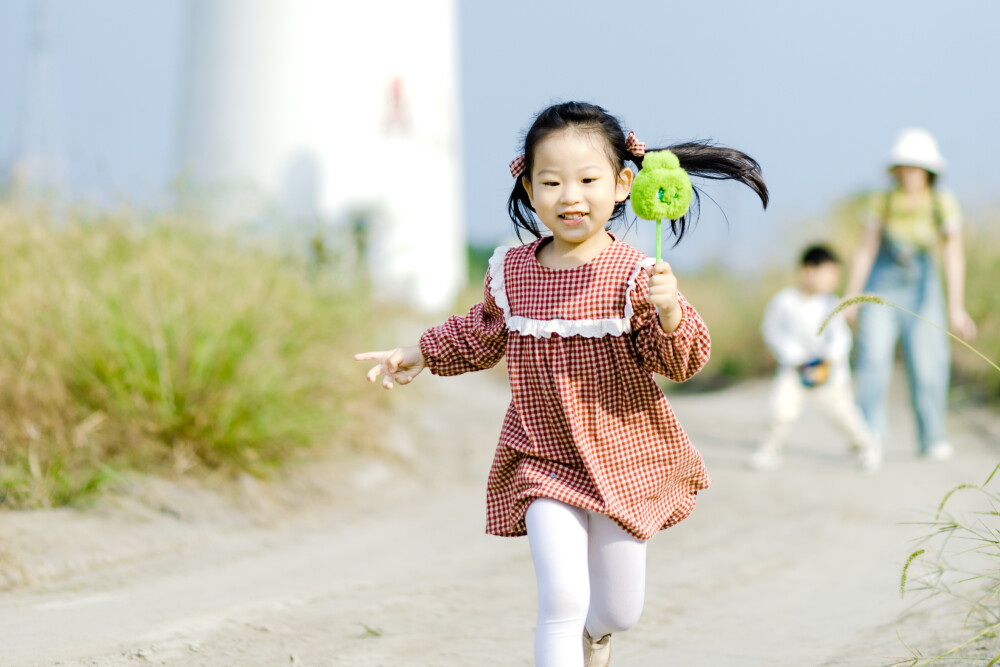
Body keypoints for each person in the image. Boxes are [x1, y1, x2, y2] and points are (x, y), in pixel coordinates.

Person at [355, 101, 768, 667]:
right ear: (527, 186)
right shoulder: (512, 269)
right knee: (562, 598)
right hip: (541, 455)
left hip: (625, 458)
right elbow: (481, 333)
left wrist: (670, 312)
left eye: (587, 180)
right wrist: (419, 352)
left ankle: (595, 639)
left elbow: (683, 361)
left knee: (620, 609)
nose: (570, 196)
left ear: (624, 184)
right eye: (550, 181)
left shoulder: (637, 276)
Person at [844, 128, 976, 461]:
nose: (910, 173)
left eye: (917, 167)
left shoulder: (941, 202)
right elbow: (865, 248)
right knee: (872, 357)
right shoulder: (883, 201)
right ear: (896, 169)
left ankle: (932, 436)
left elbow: (952, 255)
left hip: (923, 285)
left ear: (930, 171)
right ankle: (869, 434)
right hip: (882, 283)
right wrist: (852, 297)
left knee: (929, 361)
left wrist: (956, 307)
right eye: (904, 166)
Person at [747, 244, 881, 472]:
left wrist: (830, 357)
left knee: (844, 414)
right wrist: (793, 355)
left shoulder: (831, 303)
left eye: (836, 276)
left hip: (828, 373)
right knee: (780, 410)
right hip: (795, 370)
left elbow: (841, 337)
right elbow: (772, 331)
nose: (833, 281)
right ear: (808, 270)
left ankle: (867, 446)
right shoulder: (785, 301)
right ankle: (769, 449)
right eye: (828, 274)